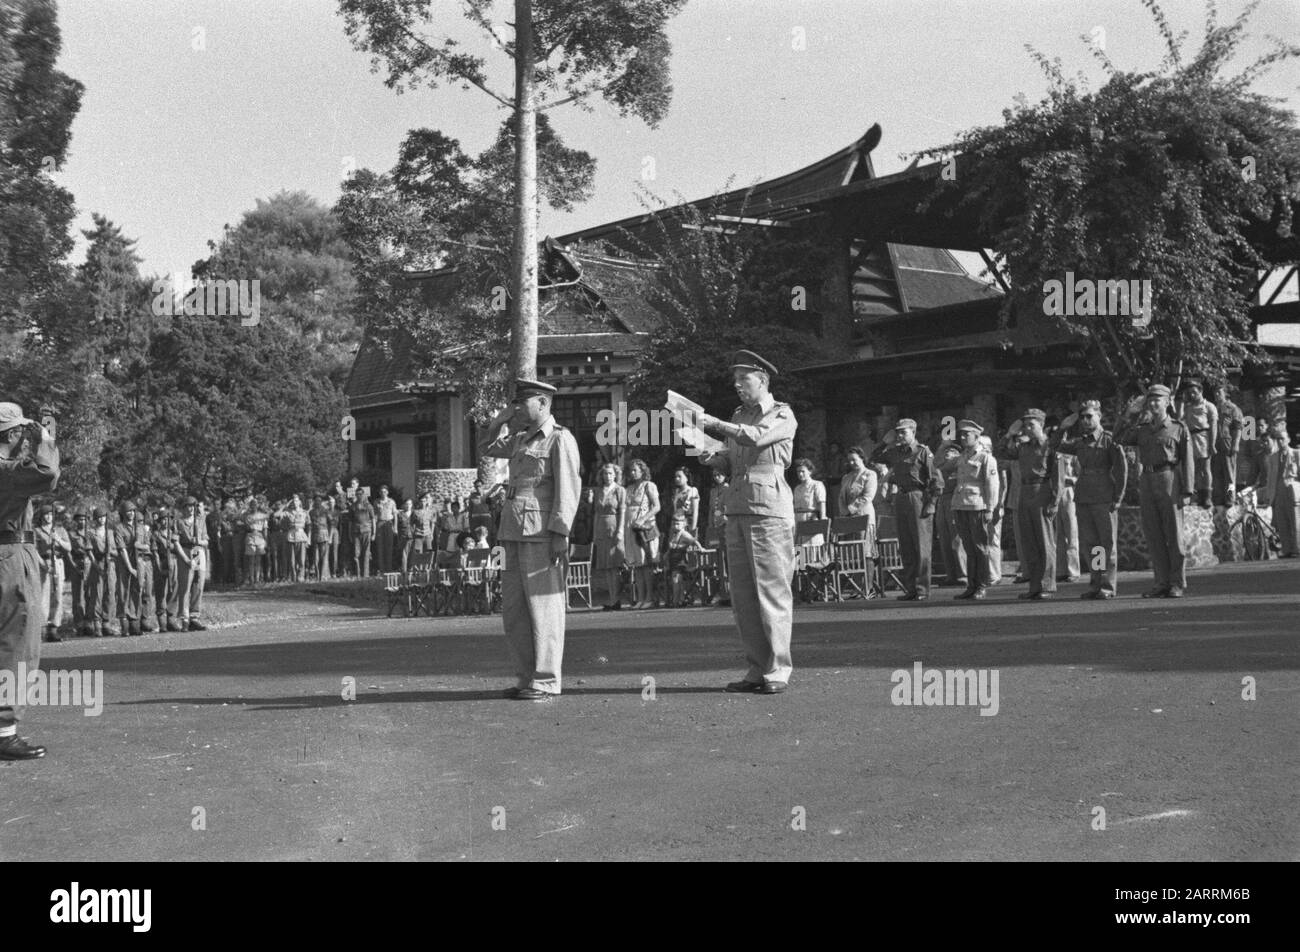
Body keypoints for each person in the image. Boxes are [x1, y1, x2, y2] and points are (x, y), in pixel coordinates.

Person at [697, 350, 797, 695]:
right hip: (738, 507)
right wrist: (714, 457)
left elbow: (754, 438)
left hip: (769, 509)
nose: (738, 386)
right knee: (743, 596)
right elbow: (733, 455)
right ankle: (757, 668)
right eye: (736, 380)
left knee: (772, 590)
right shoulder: (739, 415)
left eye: (744, 379)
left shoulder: (781, 413)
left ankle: (778, 669)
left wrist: (713, 424)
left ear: (763, 380)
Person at [478, 379, 580, 702]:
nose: (518, 408)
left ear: (543, 403)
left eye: (523, 403)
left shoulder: (559, 440)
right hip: (511, 532)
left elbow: (568, 488)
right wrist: (498, 421)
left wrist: (561, 533)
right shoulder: (520, 439)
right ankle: (526, 677)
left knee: (545, 608)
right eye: (516, 403)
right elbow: (486, 447)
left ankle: (547, 679)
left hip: (541, 535)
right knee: (516, 610)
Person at [0, 402, 60, 759]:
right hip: (9, 556)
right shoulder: (7, 472)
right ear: (11, 434)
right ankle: (4, 731)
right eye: (20, 430)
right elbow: (46, 473)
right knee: (17, 644)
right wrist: (46, 438)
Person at [1115, 384, 1194, 598]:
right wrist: (1130, 414)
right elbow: (1118, 439)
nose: (1152, 403)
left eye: (1157, 399)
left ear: (1167, 402)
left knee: (1173, 535)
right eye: (1150, 399)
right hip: (1147, 480)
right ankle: (1161, 582)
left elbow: (1187, 460)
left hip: (1169, 478)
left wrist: (1187, 490)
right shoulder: (1142, 428)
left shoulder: (1178, 428)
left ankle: (1177, 583)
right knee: (1154, 535)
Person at [1054, 400, 1128, 598]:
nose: (1085, 421)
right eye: (1083, 417)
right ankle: (1095, 583)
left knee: (1107, 543)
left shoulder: (1109, 440)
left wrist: (1118, 497)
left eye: (1089, 416)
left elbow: (1121, 470)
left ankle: (1108, 585)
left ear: (1099, 416)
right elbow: (1055, 446)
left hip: (1104, 496)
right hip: (1084, 496)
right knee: (1092, 544)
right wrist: (1064, 427)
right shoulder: (1080, 442)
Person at [871, 419, 942, 600]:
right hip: (901, 498)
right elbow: (873, 459)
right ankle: (910, 588)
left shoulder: (922, 452)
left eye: (904, 432)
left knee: (921, 545)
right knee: (906, 546)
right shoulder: (895, 452)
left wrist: (932, 503)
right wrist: (884, 442)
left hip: (918, 497)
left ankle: (922, 590)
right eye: (898, 432)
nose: (900, 435)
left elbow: (937, 481)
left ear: (913, 432)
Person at [997, 410, 1059, 600]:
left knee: (1044, 541)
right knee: (1029, 542)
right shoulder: (1023, 447)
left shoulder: (1050, 446)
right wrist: (1010, 434)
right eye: (1025, 425)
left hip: (1042, 491)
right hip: (1024, 493)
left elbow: (1058, 477)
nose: (1027, 428)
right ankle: (1034, 585)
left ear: (1041, 424)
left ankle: (1047, 585)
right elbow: (999, 452)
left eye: (1031, 424)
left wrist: (1054, 501)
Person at [950, 421, 999, 600]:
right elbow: (942, 465)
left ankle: (982, 585)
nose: (962, 438)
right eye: (961, 435)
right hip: (961, 505)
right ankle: (971, 584)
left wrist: (990, 508)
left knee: (980, 547)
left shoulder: (986, 458)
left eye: (966, 435)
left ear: (977, 437)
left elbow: (992, 484)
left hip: (978, 505)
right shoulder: (962, 456)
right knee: (969, 547)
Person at [1256, 422, 1300, 557]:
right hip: (1278, 492)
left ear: (1288, 439)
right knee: (1282, 523)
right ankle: (1287, 550)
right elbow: (1270, 478)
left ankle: (1297, 549)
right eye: (1278, 439)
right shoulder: (1273, 457)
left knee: (1295, 522)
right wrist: (1270, 497)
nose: (1280, 442)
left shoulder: (1297, 454)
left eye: (1282, 438)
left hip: (1292, 491)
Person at [1175, 376, 1218, 509]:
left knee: (1205, 469)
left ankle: (1207, 496)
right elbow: (1179, 419)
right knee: (1191, 468)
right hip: (1190, 438)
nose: (1192, 395)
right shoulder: (1187, 407)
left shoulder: (1209, 406)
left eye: (1194, 392)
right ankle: (1195, 495)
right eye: (1189, 393)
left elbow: (1213, 426)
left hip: (1204, 437)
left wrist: (1212, 444)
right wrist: (1181, 402)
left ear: (1201, 392)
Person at [624, 458, 661, 609]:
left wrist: (643, 518)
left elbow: (657, 506)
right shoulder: (629, 488)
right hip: (630, 528)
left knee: (646, 563)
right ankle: (640, 597)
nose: (633, 473)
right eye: (631, 470)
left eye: (635, 470)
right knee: (637, 565)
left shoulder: (649, 486)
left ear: (642, 471)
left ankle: (649, 598)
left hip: (644, 528)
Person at [592, 462, 627, 611]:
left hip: (614, 526)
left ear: (615, 475)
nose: (608, 476)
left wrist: (620, 530)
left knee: (614, 566)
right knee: (606, 567)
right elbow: (596, 512)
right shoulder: (599, 491)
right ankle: (612, 599)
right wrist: (594, 532)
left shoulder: (620, 490)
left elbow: (622, 511)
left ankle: (617, 599)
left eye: (610, 473)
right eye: (605, 474)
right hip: (601, 527)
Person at [34, 505, 69, 642]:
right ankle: (42, 628)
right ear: (41, 516)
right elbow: (33, 549)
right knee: (43, 596)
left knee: (58, 595)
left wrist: (58, 539)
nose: (49, 517)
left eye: (51, 514)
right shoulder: (36, 531)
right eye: (46, 514)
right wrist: (43, 564)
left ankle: (54, 628)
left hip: (58, 563)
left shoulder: (59, 530)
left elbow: (69, 547)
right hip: (44, 563)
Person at [935, 441, 967, 588]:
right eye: (947, 451)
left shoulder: (959, 467)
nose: (948, 453)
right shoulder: (940, 467)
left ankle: (963, 574)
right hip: (941, 501)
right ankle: (951, 574)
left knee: (957, 539)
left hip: (954, 500)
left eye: (953, 451)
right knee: (944, 539)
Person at [176, 496, 209, 630]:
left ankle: (194, 616)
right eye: (188, 506)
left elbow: (206, 539)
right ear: (183, 508)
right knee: (185, 585)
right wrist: (185, 558)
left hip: (197, 550)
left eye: (192, 506)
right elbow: (175, 542)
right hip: (186, 550)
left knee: (198, 584)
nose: (190, 509)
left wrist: (200, 541)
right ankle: (185, 618)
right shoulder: (179, 522)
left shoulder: (200, 521)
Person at [85, 507, 119, 636]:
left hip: (110, 564)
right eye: (99, 517)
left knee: (109, 593)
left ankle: (106, 622)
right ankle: (97, 623)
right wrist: (95, 564)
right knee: (97, 594)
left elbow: (117, 550)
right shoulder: (91, 532)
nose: (101, 519)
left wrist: (111, 553)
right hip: (97, 564)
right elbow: (89, 551)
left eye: (103, 517)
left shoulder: (110, 532)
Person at [1210, 384, 1245, 508]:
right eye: (1215, 393)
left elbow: (1238, 427)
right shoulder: (1213, 408)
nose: (1217, 395)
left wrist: (1236, 444)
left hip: (1227, 443)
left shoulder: (1232, 408)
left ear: (1225, 393)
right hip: (1216, 444)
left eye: (1219, 392)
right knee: (1217, 473)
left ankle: (1230, 498)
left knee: (1229, 474)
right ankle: (1219, 498)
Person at [113, 499, 143, 636]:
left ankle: (134, 621)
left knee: (136, 590)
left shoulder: (140, 527)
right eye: (128, 511)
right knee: (123, 590)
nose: (131, 513)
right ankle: (123, 621)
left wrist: (140, 546)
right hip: (124, 562)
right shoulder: (119, 528)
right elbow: (122, 550)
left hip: (138, 561)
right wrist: (130, 568)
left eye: (132, 511)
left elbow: (146, 544)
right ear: (123, 513)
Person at [151, 500, 182, 631]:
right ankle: (161, 619)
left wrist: (174, 545)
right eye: (162, 519)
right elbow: (155, 552)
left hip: (174, 562)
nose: (165, 522)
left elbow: (179, 548)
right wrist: (159, 568)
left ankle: (171, 618)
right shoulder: (156, 534)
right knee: (160, 591)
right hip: (162, 562)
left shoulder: (174, 533)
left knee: (173, 590)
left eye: (167, 519)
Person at [983, 435, 1010, 586]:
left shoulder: (997, 463)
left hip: (994, 506)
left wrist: (999, 505)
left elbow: (1003, 486)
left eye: (984, 446)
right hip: (982, 506)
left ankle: (994, 574)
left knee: (993, 540)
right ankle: (986, 573)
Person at [665, 512, 705, 607]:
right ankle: (681, 599)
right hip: (672, 561)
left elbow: (694, 541)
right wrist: (666, 555)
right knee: (677, 581)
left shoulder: (684, 534)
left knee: (676, 581)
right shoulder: (673, 534)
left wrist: (700, 548)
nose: (676, 526)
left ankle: (675, 601)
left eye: (678, 523)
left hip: (680, 562)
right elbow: (670, 549)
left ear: (684, 524)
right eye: (674, 523)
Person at [705, 468, 730, 605]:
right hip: (716, 528)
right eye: (714, 475)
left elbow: (730, 508)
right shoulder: (713, 491)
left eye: (719, 474)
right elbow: (711, 510)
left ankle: (731, 592)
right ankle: (724, 592)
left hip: (726, 527)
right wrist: (710, 525)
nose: (717, 477)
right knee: (719, 561)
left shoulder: (729, 489)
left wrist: (724, 518)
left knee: (728, 560)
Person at [791, 458, 827, 546]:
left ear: (810, 471)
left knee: (812, 549)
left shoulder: (817, 485)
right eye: (798, 472)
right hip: (798, 522)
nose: (800, 474)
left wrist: (821, 523)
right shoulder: (797, 489)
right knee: (800, 551)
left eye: (803, 471)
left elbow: (822, 504)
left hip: (811, 521)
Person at [67, 510, 91, 637]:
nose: (82, 521)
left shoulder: (90, 533)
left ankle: (89, 622)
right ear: (76, 521)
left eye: (84, 519)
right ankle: (79, 623)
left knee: (89, 594)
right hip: (76, 563)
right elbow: (68, 552)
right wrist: (74, 566)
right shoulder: (71, 534)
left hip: (89, 564)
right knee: (77, 596)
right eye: (79, 519)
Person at [244, 499, 269, 585]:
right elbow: (247, 527)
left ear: (257, 506)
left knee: (258, 560)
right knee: (251, 559)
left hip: (260, 536)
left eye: (255, 505)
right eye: (252, 505)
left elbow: (265, 529)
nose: (253, 506)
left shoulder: (263, 516)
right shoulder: (248, 516)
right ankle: (251, 579)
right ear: (250, 506)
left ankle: (257, 579)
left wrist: (266, 540)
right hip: (251, 536)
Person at [374, 485, 397, 574]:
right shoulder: (376, 502)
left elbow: (395, 515)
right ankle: (381, 569)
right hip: (380, 524)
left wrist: (395, 527)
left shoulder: (391, 502)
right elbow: (375, 516)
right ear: (379, 493)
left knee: (389, 547)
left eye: (385, 491)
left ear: (387, 492)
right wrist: (374, 529)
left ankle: (389, 569)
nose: (383, 493)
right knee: (380, 547)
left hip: (389, 523)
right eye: (381, 492)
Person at [670, 467, 700, 533]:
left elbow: (695, 511)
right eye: (676, 477)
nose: (677, 479)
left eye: (679, 476)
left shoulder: (692, 491)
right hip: (676, 525)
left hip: (687, 525)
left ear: (686, 478)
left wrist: (693, 529)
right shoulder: (676, 492)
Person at [309, 494, 331, 580]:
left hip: (324, 534)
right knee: (316, 557)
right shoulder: (311, 512)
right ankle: (318, 575)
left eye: (319, 501)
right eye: (316, 500)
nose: (318, 502)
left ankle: (323, 575)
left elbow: (330, 523)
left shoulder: (325, 511)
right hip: (314, 535)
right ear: (314, 502)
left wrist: (329, 535)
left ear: (321, 502)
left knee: (323, 556)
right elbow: (309, 525)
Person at [396, 497, 416, 573]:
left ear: (412, 505)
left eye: (410, 504)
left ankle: (411, 570)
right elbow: (397, 526)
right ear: (404, 505)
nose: (408, 505)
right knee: (404, 554)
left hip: (413, 536)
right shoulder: (400, 514)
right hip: (403, 536)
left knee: (413, 554)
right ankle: (404, 571)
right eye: (406, 504)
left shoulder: (414, 513)